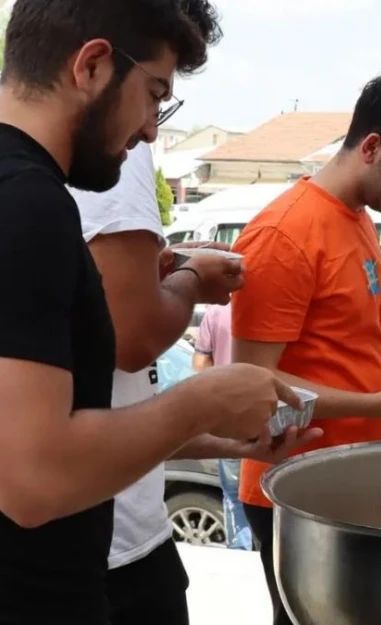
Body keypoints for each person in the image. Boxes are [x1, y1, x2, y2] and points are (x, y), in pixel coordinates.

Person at [0, 1, 301, 624]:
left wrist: (214, 432)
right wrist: (204, 398)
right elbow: (33, 478)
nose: (150, 130)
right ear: (92, 65)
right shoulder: (30, 205)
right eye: (154, 94)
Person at [230, 68, 381, 625]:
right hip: (296, 492)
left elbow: (360, 354)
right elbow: (251, 388)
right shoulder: (284, 235)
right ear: (372, 147)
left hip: (359, 486)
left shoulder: (358, 218)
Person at [193, 303, 256, 552]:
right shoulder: (271, 309)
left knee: (234, 496)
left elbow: (199, 363)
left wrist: (224, 384)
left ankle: (242, 553)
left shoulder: (216, 312)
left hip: (229, 421)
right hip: (269, 417)